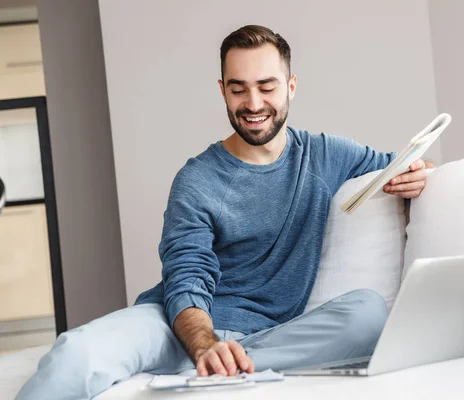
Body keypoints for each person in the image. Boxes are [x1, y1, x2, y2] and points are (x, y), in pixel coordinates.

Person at [17, 25, 432, 399]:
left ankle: (227, 364)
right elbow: (186, 276)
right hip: (177, 325)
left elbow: (404, 161)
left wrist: (419, 172)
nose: (253, 103)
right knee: (75, 355)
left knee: (369, 313)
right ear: (222, 90)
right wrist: (204, 344)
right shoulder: (198, 179)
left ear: (290, 86)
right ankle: (207, 362)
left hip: (270, 332)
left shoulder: (324, 154)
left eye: (267, 86)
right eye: (238, 89)